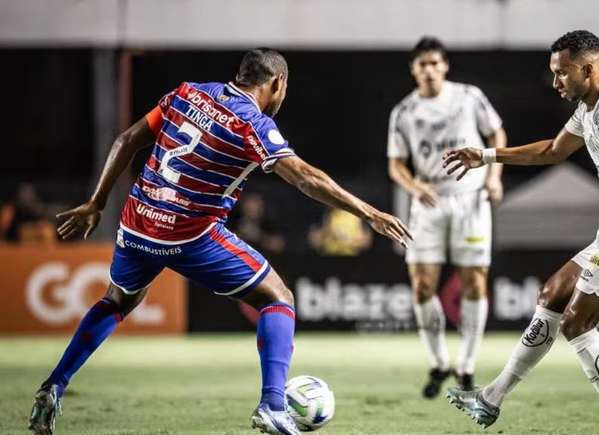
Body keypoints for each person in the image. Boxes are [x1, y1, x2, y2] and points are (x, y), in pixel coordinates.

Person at [28, 48, 411, 435]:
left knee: (117, 300)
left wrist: (96, 203)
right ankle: (273, 406)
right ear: (277, 84)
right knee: (278, 298)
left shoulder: (187, 93)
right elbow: (306, 178)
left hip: (138, 223)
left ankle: (54, 385)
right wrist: (370, 213)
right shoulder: (252, 123)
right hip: (190, 234)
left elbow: (126, 140)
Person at [443, 30, 599, 435]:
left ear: (587, 69)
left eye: (562, 73)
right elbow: (553, 151)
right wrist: (484, 155)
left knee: (576, 324)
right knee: (552, 294)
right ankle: (491, 398)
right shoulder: (590, 109)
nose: (556, 82)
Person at [387, 36, 507, 397]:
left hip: (470, 198)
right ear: (413, 70)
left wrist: (494, 174)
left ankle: (467, 366)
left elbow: (496, 130)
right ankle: (439, 361)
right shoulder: (403, 112)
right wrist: (413, 187)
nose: (429, 70)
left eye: (435, 63)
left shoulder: (468, 96)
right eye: (422, 64)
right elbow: (396, 165)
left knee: (474, 282)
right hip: (428, 201)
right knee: (422, 285)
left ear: (445, 66)